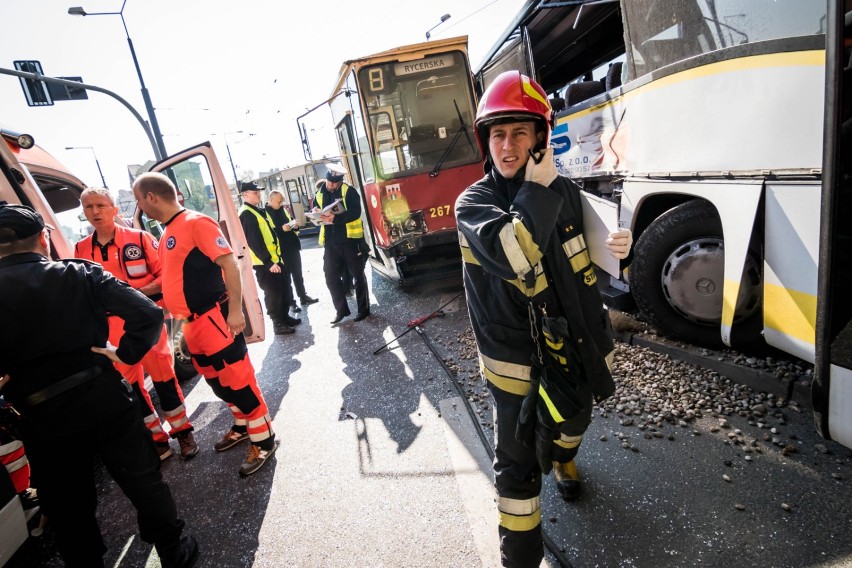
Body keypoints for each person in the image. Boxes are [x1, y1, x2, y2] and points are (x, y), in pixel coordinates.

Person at [454, 70, 632, 568]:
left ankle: (563, 455)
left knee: (574, 416)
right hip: (513, 362)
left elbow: (589, 265)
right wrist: (540, 190)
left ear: (539, 140)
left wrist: (622, 250)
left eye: (519, 133)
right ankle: (521, 558)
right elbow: (515, 254)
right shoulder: (472, 204)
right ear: (486, 142)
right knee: (516, 466)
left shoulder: (566, 193)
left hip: (573, 344)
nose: (507, 146)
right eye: (497, 134)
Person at [0, 203, 197, 567]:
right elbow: (148, 313)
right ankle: (172, 549)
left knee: (68, 504)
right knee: (141, 478)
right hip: (102, 396)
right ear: (43, 239)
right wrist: (125, 353)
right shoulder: (79, 274)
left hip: (40, 414)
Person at [133, 173, 278, 477]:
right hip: (191, 325)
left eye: (138, 200)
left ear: (150, 197)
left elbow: (231, 264)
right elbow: (173, 280)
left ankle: (264, 441)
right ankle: (241, 426)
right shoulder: (169, 231)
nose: (139, 207)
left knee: (239, 382)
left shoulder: (196, 223)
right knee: (218, 382)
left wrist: (236, 311)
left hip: (214, 319)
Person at [75, 188, 198, 460]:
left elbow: (164, 278)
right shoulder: (81, 249)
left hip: (146, 324)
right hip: (112, 330)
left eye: (101, 205)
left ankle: (183, 432)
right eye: (88, 207)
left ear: (115, 209)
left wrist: (131, 297)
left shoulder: (141, 239)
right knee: (132, 389)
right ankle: (157, 438)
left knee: (164, 380)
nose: (95, 212)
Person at [237, 181, 301, 336]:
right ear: (244, 195)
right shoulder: (246, 213)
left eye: (258, 191)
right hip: (265, 264)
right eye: (254, 192)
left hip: (275, 259)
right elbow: (254, 241)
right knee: (273, 294)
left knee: (283, 289)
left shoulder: (257, 211)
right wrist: (268, 262)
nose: (258, 194)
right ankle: (278, 324)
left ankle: (284, 317)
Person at [313, 164, 370, 324]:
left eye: (335, 183)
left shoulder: (349, 191)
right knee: (330, 276)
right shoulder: (319, 193)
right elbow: (315, 210)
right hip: (330, 243)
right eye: (330, 182)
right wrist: (317, 212)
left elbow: (355, 212)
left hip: (350, 241)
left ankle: (363, 310)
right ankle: (341, 310)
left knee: (358, 276)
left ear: (340, 181)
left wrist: (335, 218)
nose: (331, 185)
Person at [264, 189, 318, 312]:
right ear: (271, 200)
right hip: (281, 250)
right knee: (286, 278)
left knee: (298, 274)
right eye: (279, 202)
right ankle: (291, 303)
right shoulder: (265, 214)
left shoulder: (282, 209)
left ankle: (303, 297)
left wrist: (295, 226)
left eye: (282, 201)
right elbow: (268, 233)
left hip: (292, 247)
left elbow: (290, 221)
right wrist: (281, 229)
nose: (281, 204)